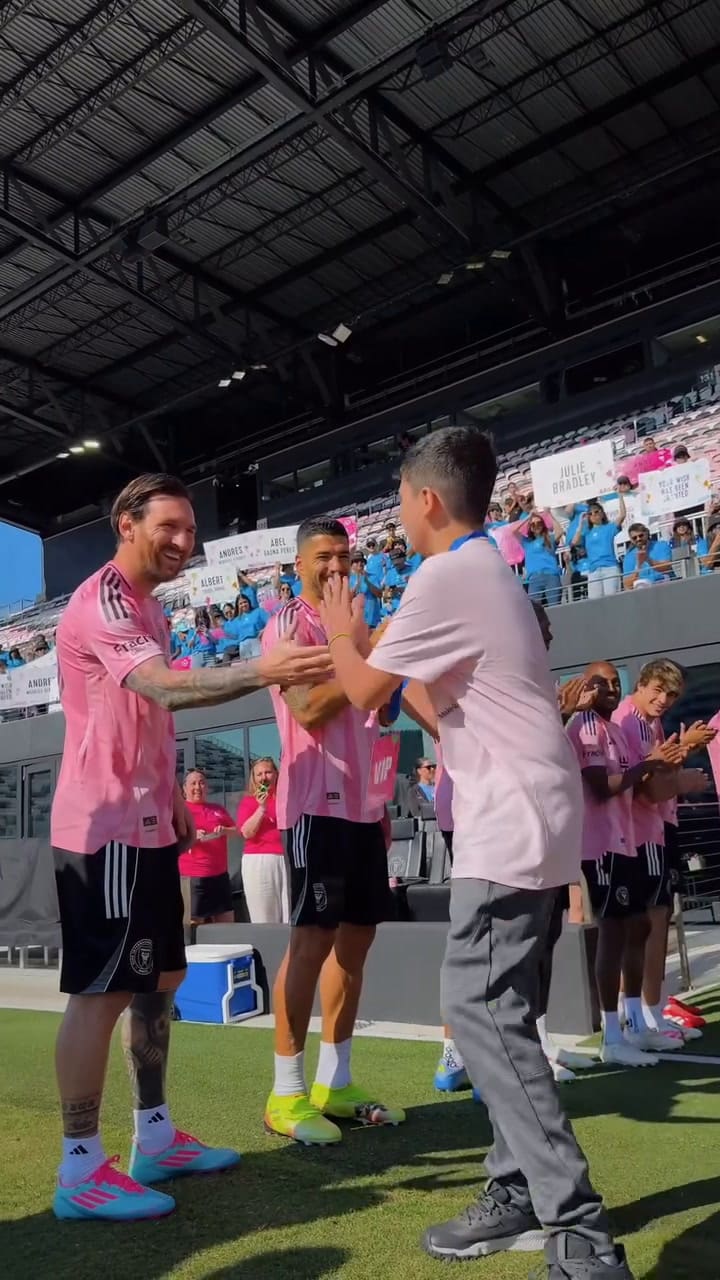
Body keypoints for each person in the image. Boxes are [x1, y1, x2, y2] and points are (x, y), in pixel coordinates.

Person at [320, 427, 635, 1279]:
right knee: (506, 1015)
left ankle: (575, 1225)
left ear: (425, 499)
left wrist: (342, 628)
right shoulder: (483, 569)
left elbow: (359, 692)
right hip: (531, 809)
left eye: (397, 496)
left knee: (480, 1012)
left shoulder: (446, 573)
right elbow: (431, 702)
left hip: (511, 817)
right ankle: (516, 1188)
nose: (396, 512)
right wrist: (374, 652)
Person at [50, 472, 332, 1222]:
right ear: (125, 523)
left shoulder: (149, 609)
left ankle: (155, 1137)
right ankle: (79, 1169)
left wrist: (172, 792)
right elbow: (164, 690)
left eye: (189, 530)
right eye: (168, 527)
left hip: (147, 821)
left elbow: (149, 718)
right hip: (102, 826)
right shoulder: (106, 598)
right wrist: (263, 670)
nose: (184, 542)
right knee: (101, 990)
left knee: (162, 979)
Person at [261, 516, 404, 1147]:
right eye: (324, 556)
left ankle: (335, 1082)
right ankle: (285, 1093)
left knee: (357, 943)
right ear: (300, 566)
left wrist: (374, 663)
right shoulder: (290, 625)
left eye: (344, 555)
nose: (336, 566)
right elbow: (309, 709)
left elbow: (378, 707)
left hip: (363, 808)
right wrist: (361, 657)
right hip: (314, 804)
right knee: (311, 940)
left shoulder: (356, 623)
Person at [567, 662, 685, 1068]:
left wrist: (657, 762)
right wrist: (651, 765)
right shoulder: (585, 724)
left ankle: (636, 1023)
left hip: (626, 841)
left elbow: (630, 782)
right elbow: (604, 786)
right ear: (587, 687)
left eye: (616, 683)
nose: (612, 690)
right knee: (614, 931)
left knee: (637, 926)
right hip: (598, 844)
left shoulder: (613, 729)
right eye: (603, 683)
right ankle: (612, 1033)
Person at [612, 661, 712, 1050]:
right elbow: (648, 787)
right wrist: (683, 767)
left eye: (670, 695)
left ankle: (650, 1011)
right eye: (657, 690)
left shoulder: (646, 720)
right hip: (638, 834)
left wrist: (682, 754)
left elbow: (656, 774)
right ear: (640, 683)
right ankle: (641, 1015)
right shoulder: (627, 719)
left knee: (657, 924)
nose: (663, 700)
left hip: (652, 831)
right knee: (645, 928)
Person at [179, 769, 236, 924]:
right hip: (194, 878)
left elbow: (237, 831)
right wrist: (192, 835)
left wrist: (224, 830)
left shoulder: (217, 809)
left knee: (227, 925)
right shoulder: (180, 810)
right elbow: (171, 837)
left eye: (202, 782)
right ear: (184, 788)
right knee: (194, 925)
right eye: (193, 783)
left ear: (207, 787)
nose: (198, 787)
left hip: (220, 877)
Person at [237, 757, 288, 923]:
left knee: (290, 912)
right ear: (254, 778)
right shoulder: (249, 802)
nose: (264, 777)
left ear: (276, 774)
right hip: (260, 860)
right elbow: (247, 832)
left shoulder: (286, 799)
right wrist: (262, 807)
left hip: (286, 859)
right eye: (259, 774)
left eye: (268, 772)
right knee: (264, 917)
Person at [571, 498, 626, 598]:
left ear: (602, 513)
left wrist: (620, 495)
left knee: (612, 600)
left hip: (609, 567)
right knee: (595, 603)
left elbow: (622, 515)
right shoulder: (587, 532)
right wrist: (580, 524)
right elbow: (574, 542)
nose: (593, 515)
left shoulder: (609, 527)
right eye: (590, 513)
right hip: (593, 570)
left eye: (596, 511)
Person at [515, 509, 564, 606]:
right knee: (534, 611)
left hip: (551, 576)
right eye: (533, 524)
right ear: (530, 527)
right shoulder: (527, 542)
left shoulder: (549, 538)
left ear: (543, 524)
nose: (536, 526)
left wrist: (549, 514)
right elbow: (514, 531)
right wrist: (528, 517)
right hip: (534, 578)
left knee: (555, 607)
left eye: (539, 523)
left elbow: (559, 531)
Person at [622, 523, 672, 589]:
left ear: (646, 533)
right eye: (634, 538)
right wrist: (638, 566)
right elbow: (627, 585)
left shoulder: (661, 545)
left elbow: (667, 567)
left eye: (641, 535)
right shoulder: (628, 557)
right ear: (631, 540)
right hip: (642, 590)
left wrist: (648, 559)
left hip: (665, 585)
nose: (638, 539)